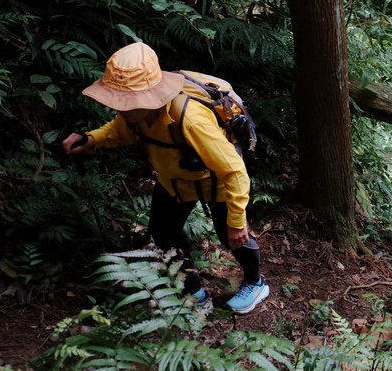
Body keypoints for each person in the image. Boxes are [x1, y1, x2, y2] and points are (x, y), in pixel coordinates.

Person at [61, 42, 269, 314]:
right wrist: (92, 139)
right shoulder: (136, 114)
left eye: (125, 101)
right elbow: (120, 129)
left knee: (231, 235)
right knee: (162, 237)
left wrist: (236, 220)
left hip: (214, 182)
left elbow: (233, 169)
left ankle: (256, 283)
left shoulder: (190, 119)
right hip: (174, 180)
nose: (121, 107)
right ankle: (196, 294)